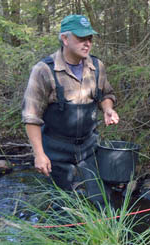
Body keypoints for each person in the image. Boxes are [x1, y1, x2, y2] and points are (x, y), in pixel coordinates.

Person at [22, 14, 119, 206]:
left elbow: (107, 94)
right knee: (61, 208)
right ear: (64, 39)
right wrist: (39, 155)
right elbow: (31, 117)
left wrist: (108, 109)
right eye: (81, 38)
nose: (87, 43)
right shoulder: (43, 70)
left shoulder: (97, 66)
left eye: (89, 38)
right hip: (56, 152)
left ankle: (103, 235)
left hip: (88, 148)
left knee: (100, 201)